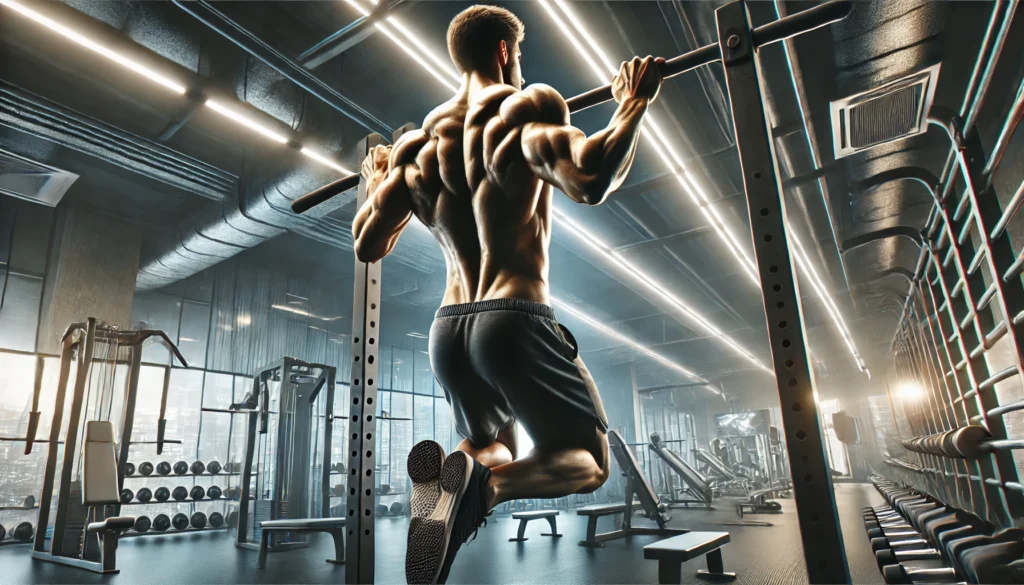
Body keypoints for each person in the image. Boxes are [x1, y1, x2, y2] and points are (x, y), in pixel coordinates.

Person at [352, 5, 663, 583]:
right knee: (590, 460)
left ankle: (464, 473)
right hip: (513, 317)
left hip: (447, 331)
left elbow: (368, 243)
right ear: (503, 51)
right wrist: (633, 103)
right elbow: (589, 178)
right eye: (518, 56)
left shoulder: (417, 148)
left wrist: (375, 186)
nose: (520, 67)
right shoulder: (524, 107)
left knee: (487, 439)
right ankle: (486, 489)